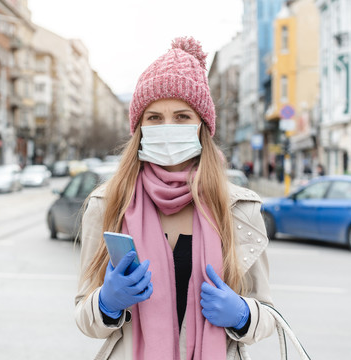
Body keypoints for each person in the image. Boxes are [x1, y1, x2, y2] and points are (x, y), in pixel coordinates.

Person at [74, 37, 276, 360]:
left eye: (182, 116)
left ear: (202, 126)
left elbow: (267, 314)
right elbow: (84, 315)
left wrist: (243, 315)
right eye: (154, 117)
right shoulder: (107, 204)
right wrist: (106, 303)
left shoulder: (238, 209)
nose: (168, 126)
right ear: (139, 127)